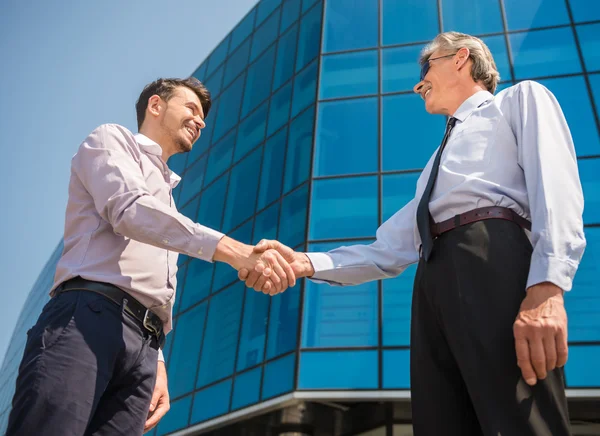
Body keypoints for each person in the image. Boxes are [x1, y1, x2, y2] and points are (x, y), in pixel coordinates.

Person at [240, 32, 586, 436]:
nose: (417, 84)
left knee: (519, 419)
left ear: (460, 59)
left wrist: (547, 285)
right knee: (442, 422)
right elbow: (387, 250)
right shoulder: (433, 169)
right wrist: (304, 263)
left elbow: (556, 187)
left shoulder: (519, 100)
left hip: (492, 258)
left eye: (426, 69)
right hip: (432, 277)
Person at [7, 77, 295, 436]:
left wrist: (156, 360)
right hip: (87, 318)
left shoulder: (170, 201)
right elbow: (129, 210)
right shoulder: (110, 139)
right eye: (191, 108)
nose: (201, 121)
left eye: (203, 116)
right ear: (156, 106)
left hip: (143, 350)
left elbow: (152, 288)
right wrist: (234, 252)